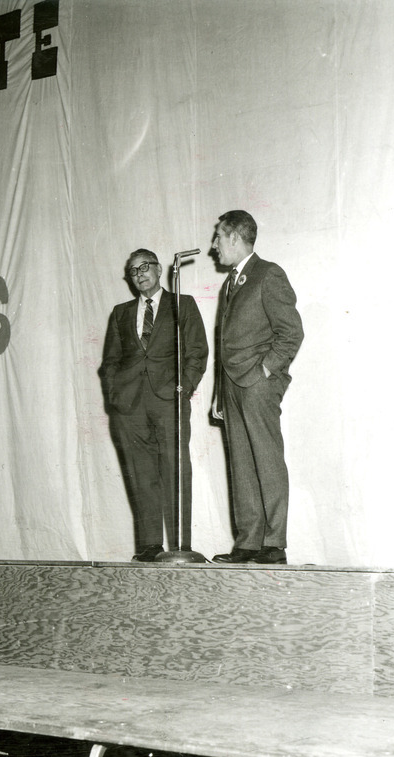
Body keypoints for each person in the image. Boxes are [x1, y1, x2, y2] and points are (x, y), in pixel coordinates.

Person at [100, 248, 208, 561]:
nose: (139, 274)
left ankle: (180, 546)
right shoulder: (120, 313)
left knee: (175, 470)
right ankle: (149, 546)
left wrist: (183, 388)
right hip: (130, 405)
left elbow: (197, 351)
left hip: (168, 400)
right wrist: (115, 395)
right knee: (140, 473)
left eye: (145, 266)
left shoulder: (182, 304)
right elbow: (110, 361)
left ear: (159, 269)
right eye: (133, 271)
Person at [211, 211, 304, 564]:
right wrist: (221, 393)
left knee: (265, 460)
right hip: (233, 387)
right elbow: (226, 342)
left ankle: (273, 543)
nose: (214, 245)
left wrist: (265, 370)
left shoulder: (268, 274)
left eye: (219, 236)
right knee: (242, 463)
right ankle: (249, 542)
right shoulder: (231, 282)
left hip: (257, 385)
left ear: (235, 237)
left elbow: (291, 333)